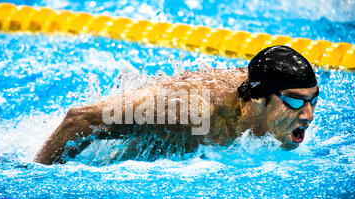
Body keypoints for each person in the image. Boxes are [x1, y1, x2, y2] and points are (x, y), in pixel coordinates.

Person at [35, 45, 319, 165]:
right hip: (153, 133)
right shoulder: (195, 112)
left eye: (313, 101)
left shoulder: (269, 109)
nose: (308, 115)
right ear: (259, 100)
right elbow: (79, 120)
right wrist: (39, 177)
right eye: (295, 101)